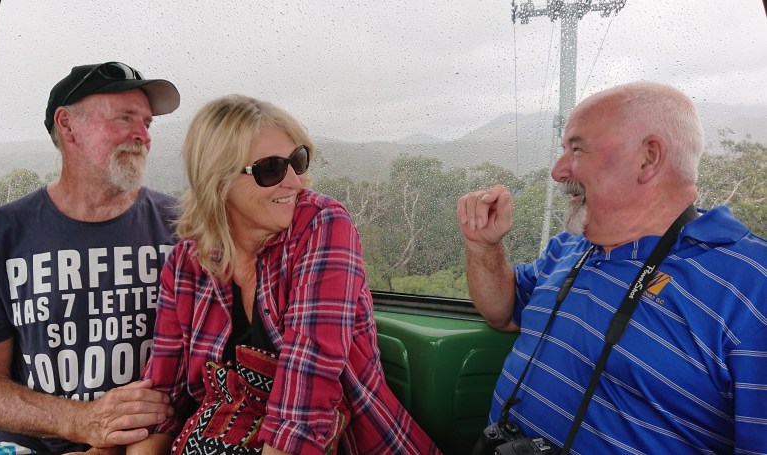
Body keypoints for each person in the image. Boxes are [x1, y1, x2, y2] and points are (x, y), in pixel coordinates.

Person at [457, 81, 767, 453]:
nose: (557, 171)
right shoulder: (569, 247)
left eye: (576, 149)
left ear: (648, 158)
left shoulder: (751, 288)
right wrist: (483, 245)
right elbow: (502, 312)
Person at [125, 94, 441, 455]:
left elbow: (307, 389)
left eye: (298, 160)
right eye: (271, 169)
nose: (294, 181)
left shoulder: (320, 224)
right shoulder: (186, 264)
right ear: (219, 180)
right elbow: (160, 399)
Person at [0, 61, 182, 454]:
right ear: (67, 125)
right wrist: (81, 421)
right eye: (125, 118)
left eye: (147, 123)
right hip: (34, 443)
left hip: (153, 440)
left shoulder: (183, 228)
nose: (143, 135)